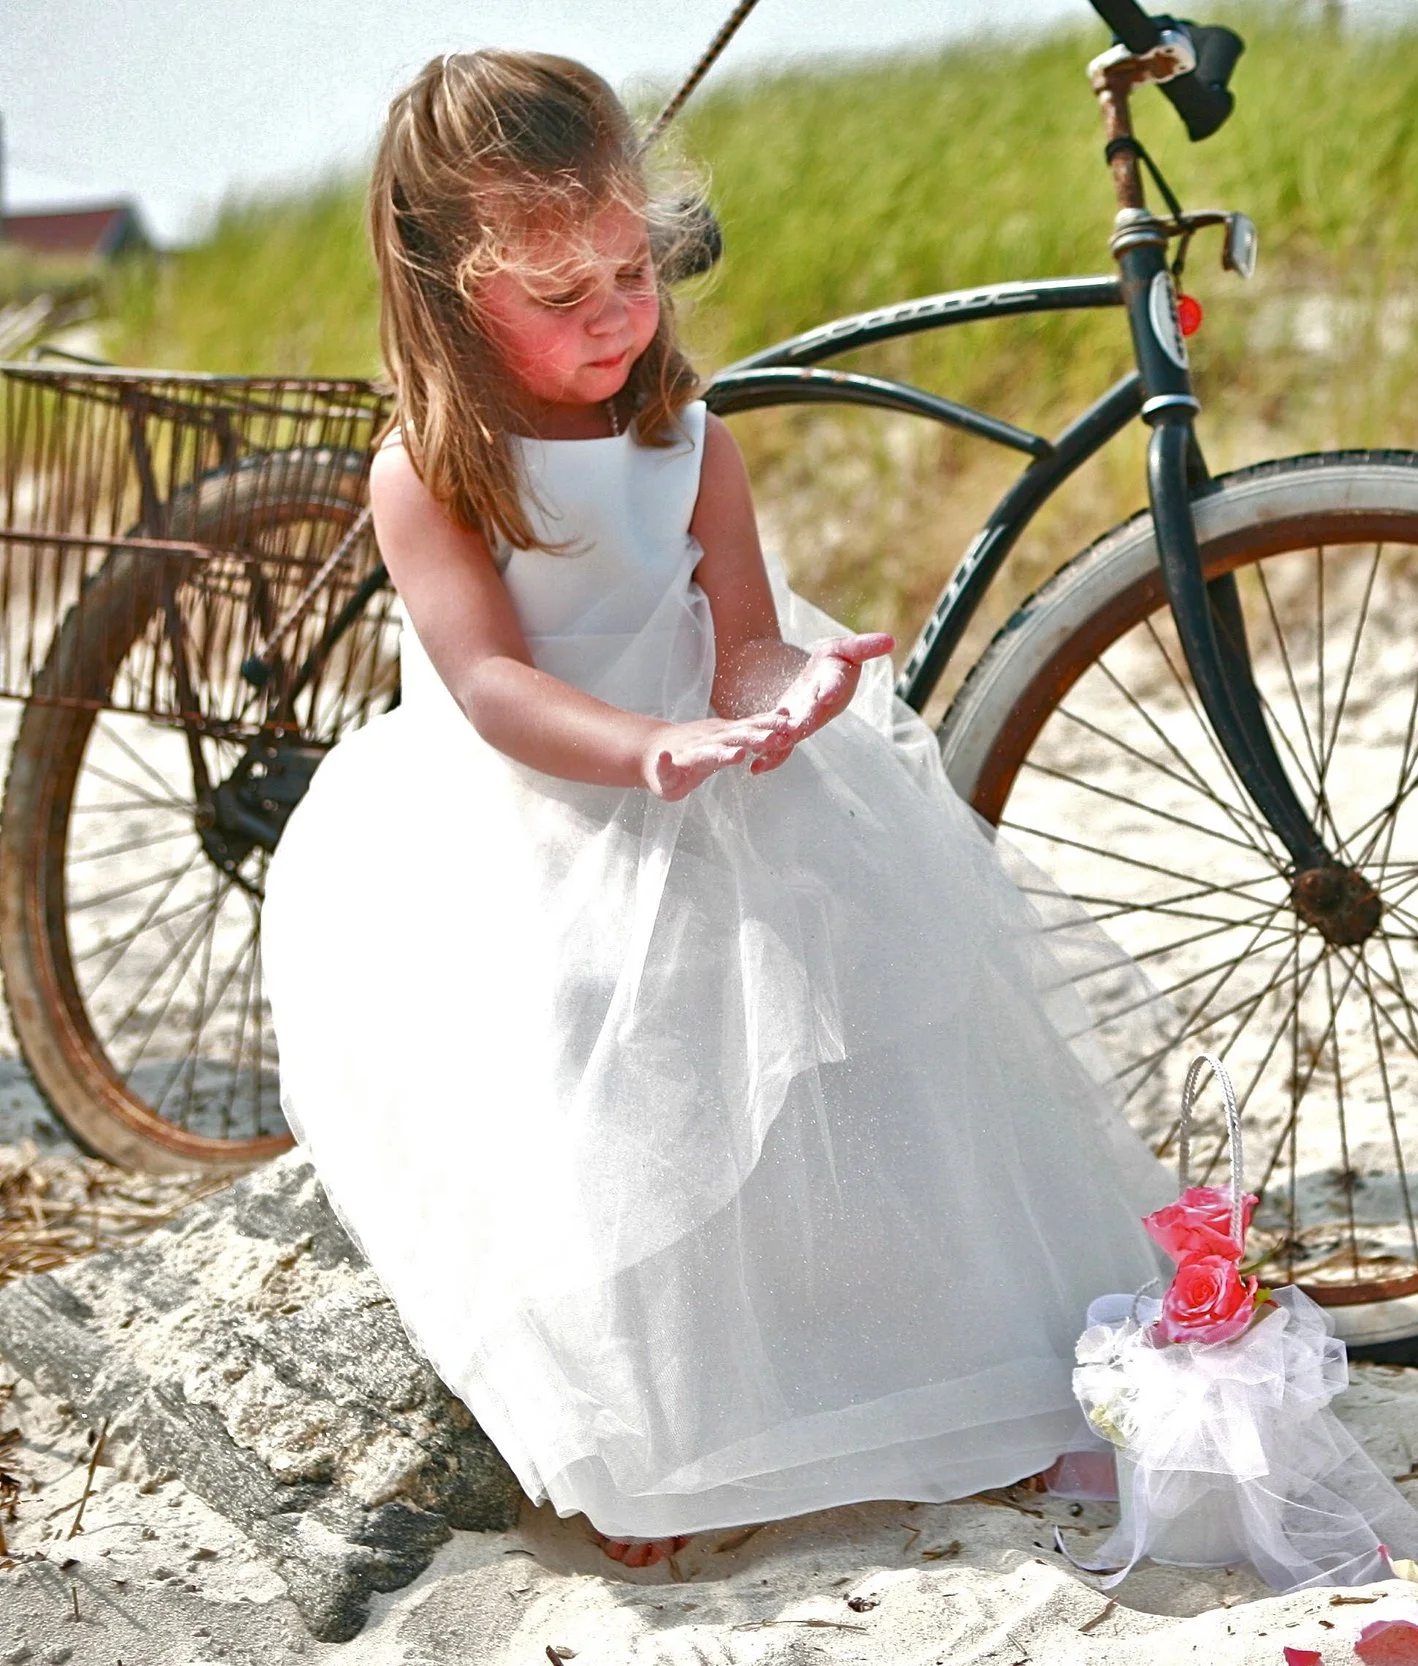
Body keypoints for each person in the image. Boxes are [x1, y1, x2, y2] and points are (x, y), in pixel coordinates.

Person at [262, 50, 1171, 1567]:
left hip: (712, 773)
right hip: (531, 815)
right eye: (561, 296)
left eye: (633, 269)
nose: (618, 314)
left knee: (868, 1006)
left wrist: (777, 693)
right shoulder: (430, 472)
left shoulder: (691, 441)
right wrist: (646, 751)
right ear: (448, 292)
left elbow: (744, 632)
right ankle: (648, 1433)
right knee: (598, 1062)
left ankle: (927, 1348)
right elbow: (488, 682)